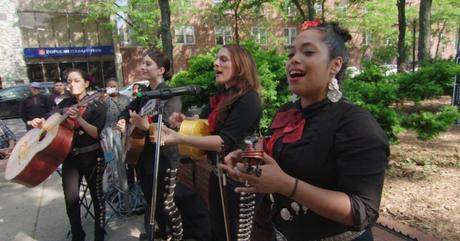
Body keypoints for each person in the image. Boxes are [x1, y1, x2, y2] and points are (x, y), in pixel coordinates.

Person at [221, 21, 390, 241]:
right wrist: (249, 159)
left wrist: (286, 186)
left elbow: (363, 210)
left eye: (308, 52)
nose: (294, 60)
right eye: (291, 54)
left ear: (335, 65)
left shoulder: (356, 123)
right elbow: (283, 162)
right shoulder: (286, 113)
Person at [162, 44, 263, 241]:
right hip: (218, 173)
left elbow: (223, 141)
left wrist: (180, 138)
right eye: (216, 59)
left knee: (235, 235)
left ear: (241, 65)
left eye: (223, 59)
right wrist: (184, 120)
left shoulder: (249, 99)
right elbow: (206, 123)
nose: (215, 63)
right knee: (218, 231)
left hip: (240, 178)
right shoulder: (223, 97)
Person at [30, 69, 107, 241]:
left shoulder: (98, 104)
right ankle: (77, 234)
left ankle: (100, 235)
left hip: (93, 157)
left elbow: (96, 133)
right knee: (70, 199)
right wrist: (41, 123)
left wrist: (79, 119)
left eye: (76, 80)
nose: (71, 84)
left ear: (86, 83)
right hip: (70, 157)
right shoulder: (65, 102)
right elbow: (50, 119)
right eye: (69, 81)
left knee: (97, 198)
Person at [117, 49, 182, 241]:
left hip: (164, 158)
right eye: (142, 63)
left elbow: (171, 127)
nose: (142, 67)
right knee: (151, 201)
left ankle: (176, 236)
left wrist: (147, 126)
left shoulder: (171, 95)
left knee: (165, 204)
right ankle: (162, 234)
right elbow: (127, 111)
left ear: (161, 69)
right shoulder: (144, 93)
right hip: (142, 156)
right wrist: (123, 122)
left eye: (148, 64)